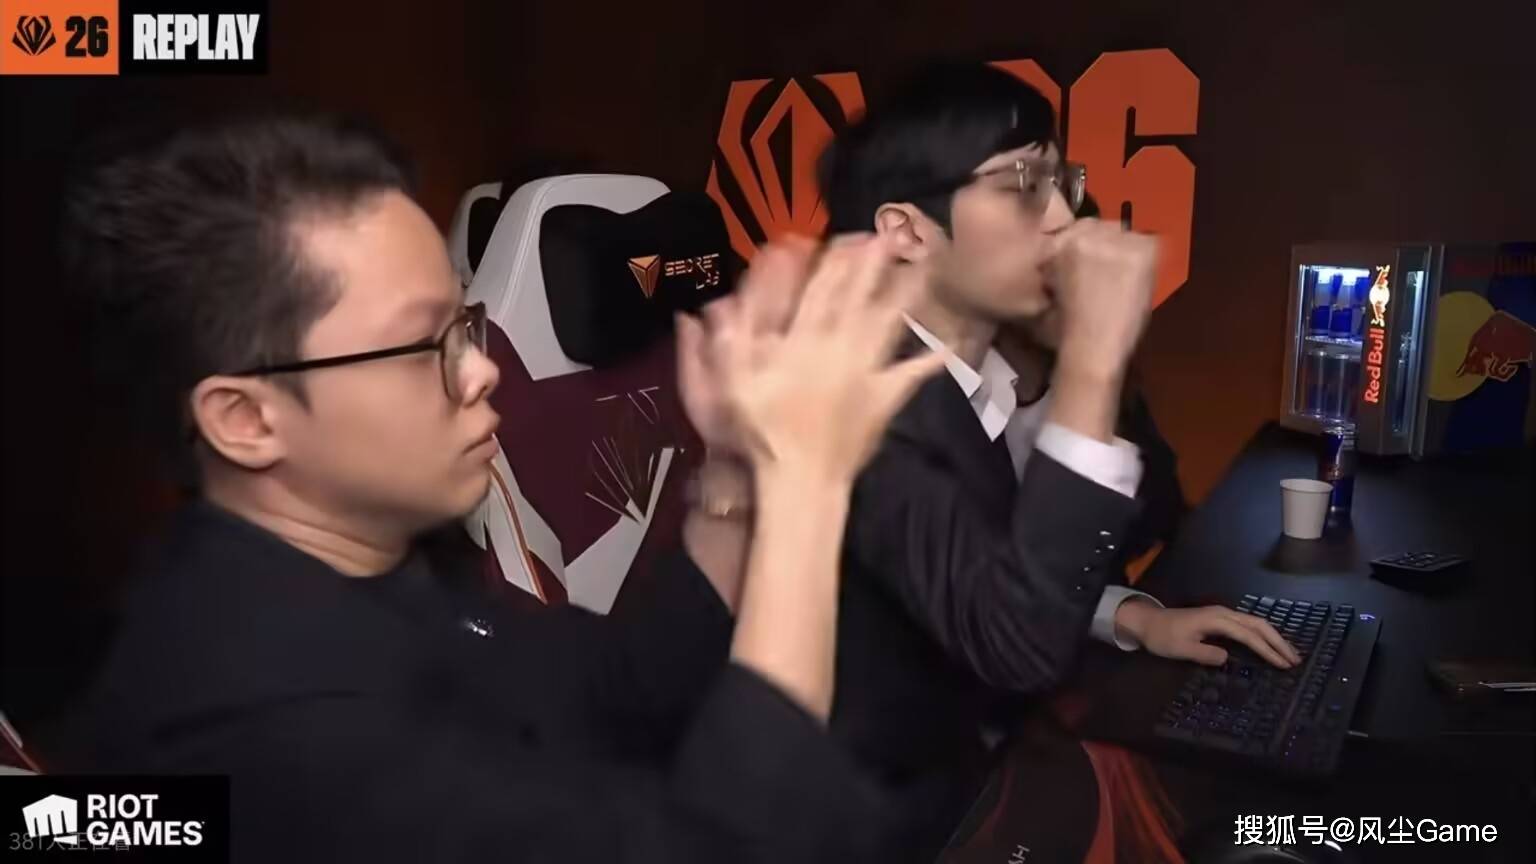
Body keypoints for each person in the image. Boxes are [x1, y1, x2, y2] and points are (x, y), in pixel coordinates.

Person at [56, 113, 946, 862]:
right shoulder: (252, 721)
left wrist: (738, 471)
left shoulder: (386, 563)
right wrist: (806, 481)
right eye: (427, 345)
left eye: (467, 322)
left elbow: (610, 688)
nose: (483, 369)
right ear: (246, 420)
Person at [816, 62, 1300, 853]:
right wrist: (1092, 358)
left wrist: (1135, 617)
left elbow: (991, 579)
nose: (1064, 219)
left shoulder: (966, 382)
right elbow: (1011, 645)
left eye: (1061, 182)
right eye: (1022, 185)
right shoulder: (865, 396)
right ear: (906, 231)